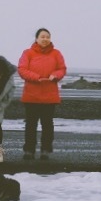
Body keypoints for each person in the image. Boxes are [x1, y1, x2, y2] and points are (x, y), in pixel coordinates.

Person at [17, 27, 66, 161]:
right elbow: (22, 69)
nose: (45, 39)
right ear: (37, 38)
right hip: (31, 95)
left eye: (47, 37)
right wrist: (36, 77)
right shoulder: (28, 53)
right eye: (42, 36)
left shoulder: (56, 53)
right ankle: (29, 151)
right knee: (31, 125)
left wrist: (54, 75)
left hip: (49, 96)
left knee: (47, 125)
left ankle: (45, 150)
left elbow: (62, 69)